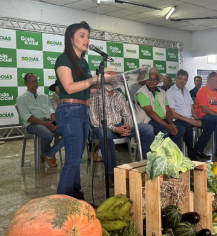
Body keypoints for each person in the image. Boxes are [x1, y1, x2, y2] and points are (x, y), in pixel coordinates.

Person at [55, 21, 98, 200]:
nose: (86, 39)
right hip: (69, 110)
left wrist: (105, 84)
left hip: (82, 110)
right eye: (82, 35)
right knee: (72, 160)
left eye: (88, 36)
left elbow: (87, 89)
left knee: (77, 158)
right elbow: (70, 87)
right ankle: (62, 203)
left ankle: (76, 197)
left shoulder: (83, 62)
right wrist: (92, 80)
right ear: (70, 39)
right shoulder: (64, 59)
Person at [90, 65, 154, 185]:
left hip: (121, 126)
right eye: (110, 77)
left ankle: (145, 165)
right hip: (102, 129)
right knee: (105, 134)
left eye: (115, 78)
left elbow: (128, 115)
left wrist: (127, 126)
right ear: (104, 79)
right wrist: (115, 128)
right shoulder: (95, 95)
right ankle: (111, 173)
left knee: (148, 129)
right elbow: (94, 120)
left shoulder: (119, 95)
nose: (114, 80)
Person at [16, 73, 64, 167]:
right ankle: (49, 153)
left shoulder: (44, 97)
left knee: (68, 133)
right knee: (48, 135)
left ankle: (48, 154)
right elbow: (27, 116)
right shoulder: (21, 99)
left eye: (36, 81)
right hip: (33, 124)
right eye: (32, 81)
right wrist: (45, 124)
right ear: (26, 83)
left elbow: (51, 112)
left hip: (48, 122)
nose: (35, 83)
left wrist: (54, 123)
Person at [166, 69, 215, 161]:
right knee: (188, 127)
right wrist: (191, 121)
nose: (182, 81)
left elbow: (192, 108)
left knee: (210, 125)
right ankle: (191, 152)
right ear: (176, 79)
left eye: (185, 79)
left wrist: (197, 119)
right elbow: (172, 113)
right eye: (180, 78)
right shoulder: (170, 92)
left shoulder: (186, 91)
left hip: (190, 118)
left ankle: (198, 149)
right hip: (178, 119)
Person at [135, 67, 185, 145]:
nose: (152, 81)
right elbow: (150, 113)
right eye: (150, 79)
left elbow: (168, 110)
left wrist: (171, 124)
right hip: (148, 121)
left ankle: (169, 151)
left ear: (158, 81)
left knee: (181, 129)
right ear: (145, 80)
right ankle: (161, 153)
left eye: (155, 79)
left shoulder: (162, 92)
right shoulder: (141, 93)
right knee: (165, 131)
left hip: (163, 119)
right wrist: (168, 126)